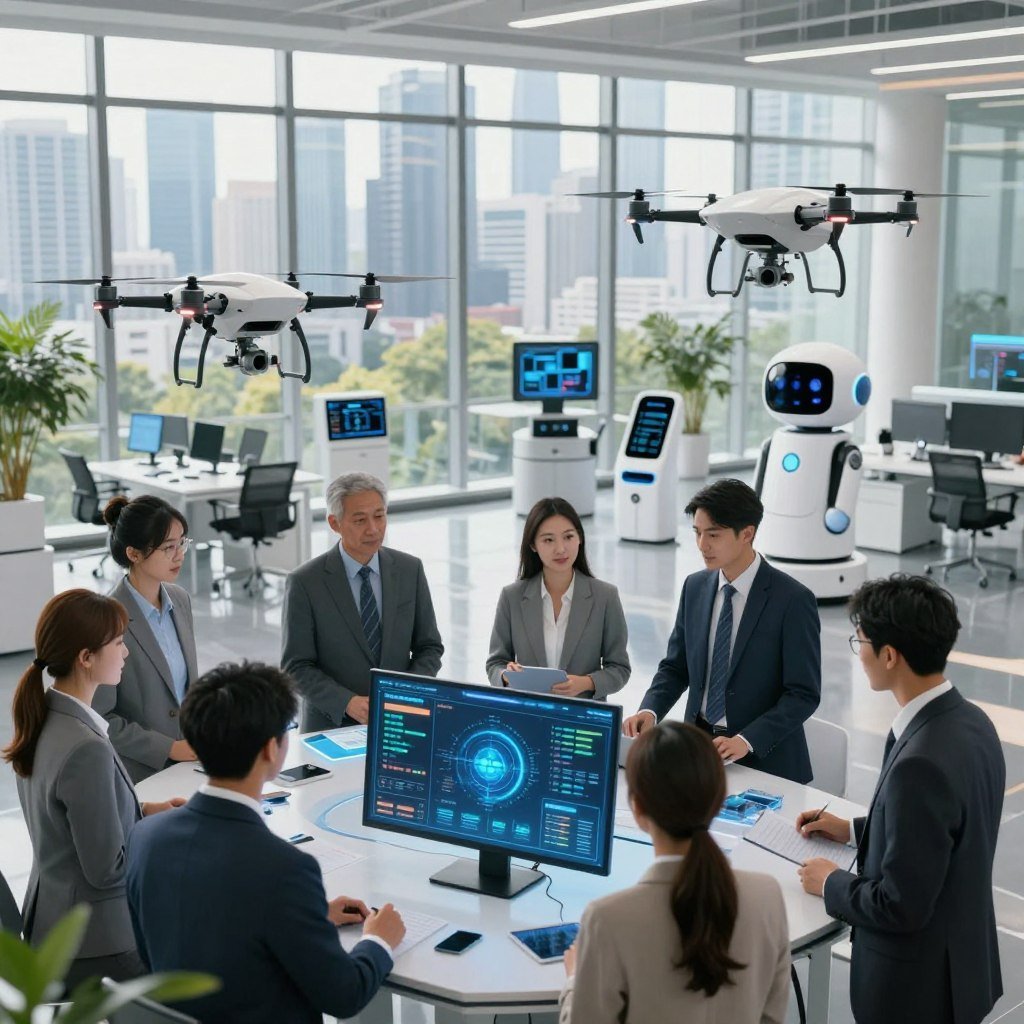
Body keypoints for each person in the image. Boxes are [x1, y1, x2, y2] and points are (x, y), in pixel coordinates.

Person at [126, 661, 405, 1024]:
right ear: (271, 751)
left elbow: (177, 942)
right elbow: (344, 995)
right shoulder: (285, 869)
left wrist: (309, 916)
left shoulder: (146, 837)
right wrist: (378, 941)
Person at [796, 574, 1004, 1024]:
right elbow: (945, 835)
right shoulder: (973, 723)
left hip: (914, 991)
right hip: (961, 965)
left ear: (889, 655)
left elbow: (900, 905)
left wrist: (830, 881)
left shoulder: (920, 763)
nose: (860, 651)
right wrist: (854, 830)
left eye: (862, 640)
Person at [3, 589, 184, 989]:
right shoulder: (86, 748)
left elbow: (66, 824)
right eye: (118, 644)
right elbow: (107, 871)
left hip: (52, 923)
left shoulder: (47, 717)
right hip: (99, 941)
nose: (126, 654)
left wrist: (145, 810)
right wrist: (163, 837)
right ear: (86, 658)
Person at [560, 721, 790, 1023]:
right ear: (719, 800)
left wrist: (576, 978)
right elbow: (772, 1016)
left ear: (638, 810)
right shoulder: (767, 895)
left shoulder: (607, 918)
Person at [622, 478, 820, 783]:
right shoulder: (695, 586)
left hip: (765, 761)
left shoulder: (792, 600)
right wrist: (650, 711)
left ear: (747, 534)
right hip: (699, 751)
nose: (702, 545)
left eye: (713, 534)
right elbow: (676, 667)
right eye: (698, 533)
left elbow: (803, 694)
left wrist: (747, 740)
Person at [282, 472, 444, 730]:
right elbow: (296, 666)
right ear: (334, 523)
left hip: (399, 720)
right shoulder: (305, 582)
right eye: (360, 520)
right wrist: (347, 702)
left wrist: (403, 693)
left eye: (379, 516)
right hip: (330, 725)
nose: (373, 529)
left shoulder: (409, 569)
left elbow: (430, 647)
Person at [93, 494, 199, 782]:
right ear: (134, 554)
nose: (179, 555)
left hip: (191, 764)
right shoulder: (106, 620)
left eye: (182, 543)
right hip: (140, 774)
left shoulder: (180, 600)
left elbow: (186, 689)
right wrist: (170, 748)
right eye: (168, 548)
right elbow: (101, 719)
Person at [486, 496, 630, 699]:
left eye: (568, 537)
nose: (561, 548)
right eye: (548, 540)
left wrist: (586, 683)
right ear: (533, 545)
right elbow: (495, 663)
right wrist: (505, 676)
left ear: (580, 538)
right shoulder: (512, 597)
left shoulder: (605, 597)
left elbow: (619, 668)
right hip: (530, 713)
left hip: (583, 717)